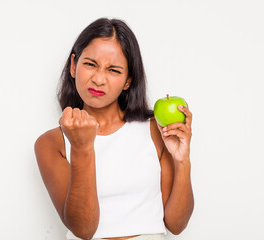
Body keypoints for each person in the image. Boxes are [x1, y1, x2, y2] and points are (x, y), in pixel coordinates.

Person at [34, 18, 194, 240]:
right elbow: (83, 229)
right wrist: (82, 148)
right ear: (73, 65)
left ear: (128, 80)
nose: (99, 79)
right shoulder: (51, 143)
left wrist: (182, 161)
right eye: (90, 64)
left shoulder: (155, 132)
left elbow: (176, 225)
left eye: (114, 70)